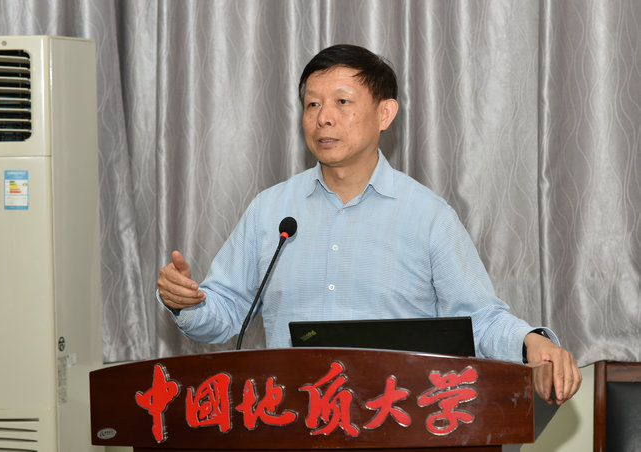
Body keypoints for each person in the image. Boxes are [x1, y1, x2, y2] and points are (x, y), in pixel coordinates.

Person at [157, 44, 581, 405]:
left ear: (384, 113)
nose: (323, 117)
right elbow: (226, 313)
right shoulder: (270, 211)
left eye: (342, 102)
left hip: (397, 420)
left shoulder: (428, 216)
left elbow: (480, 321)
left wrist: (532, 342)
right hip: (293, 421)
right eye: (312, 104)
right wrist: (186, 302)